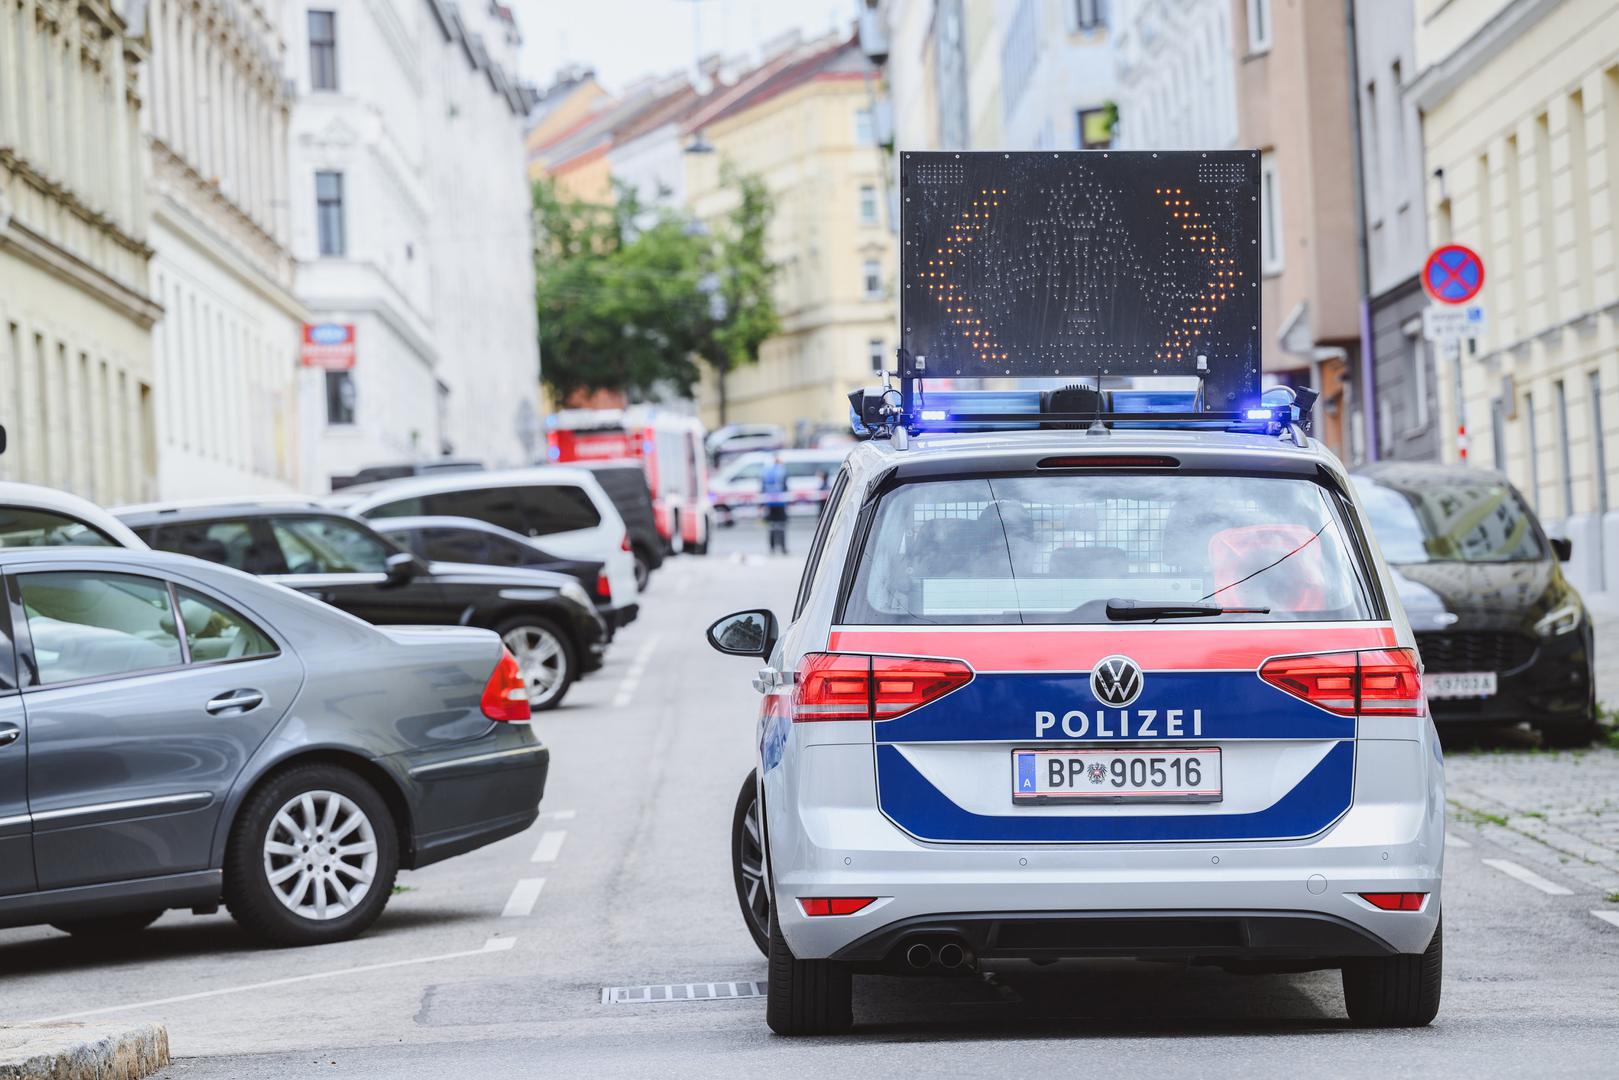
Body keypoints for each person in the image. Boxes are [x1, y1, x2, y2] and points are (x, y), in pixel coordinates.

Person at [762, 454, 789, 555]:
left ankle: (772, 548)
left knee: (771, 526)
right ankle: (783, 548)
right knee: (781, 526)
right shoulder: (782, 471)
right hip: (780, 502)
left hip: (770, 502)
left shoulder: (767, 471)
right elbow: (785, 487)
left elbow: (762, 487)